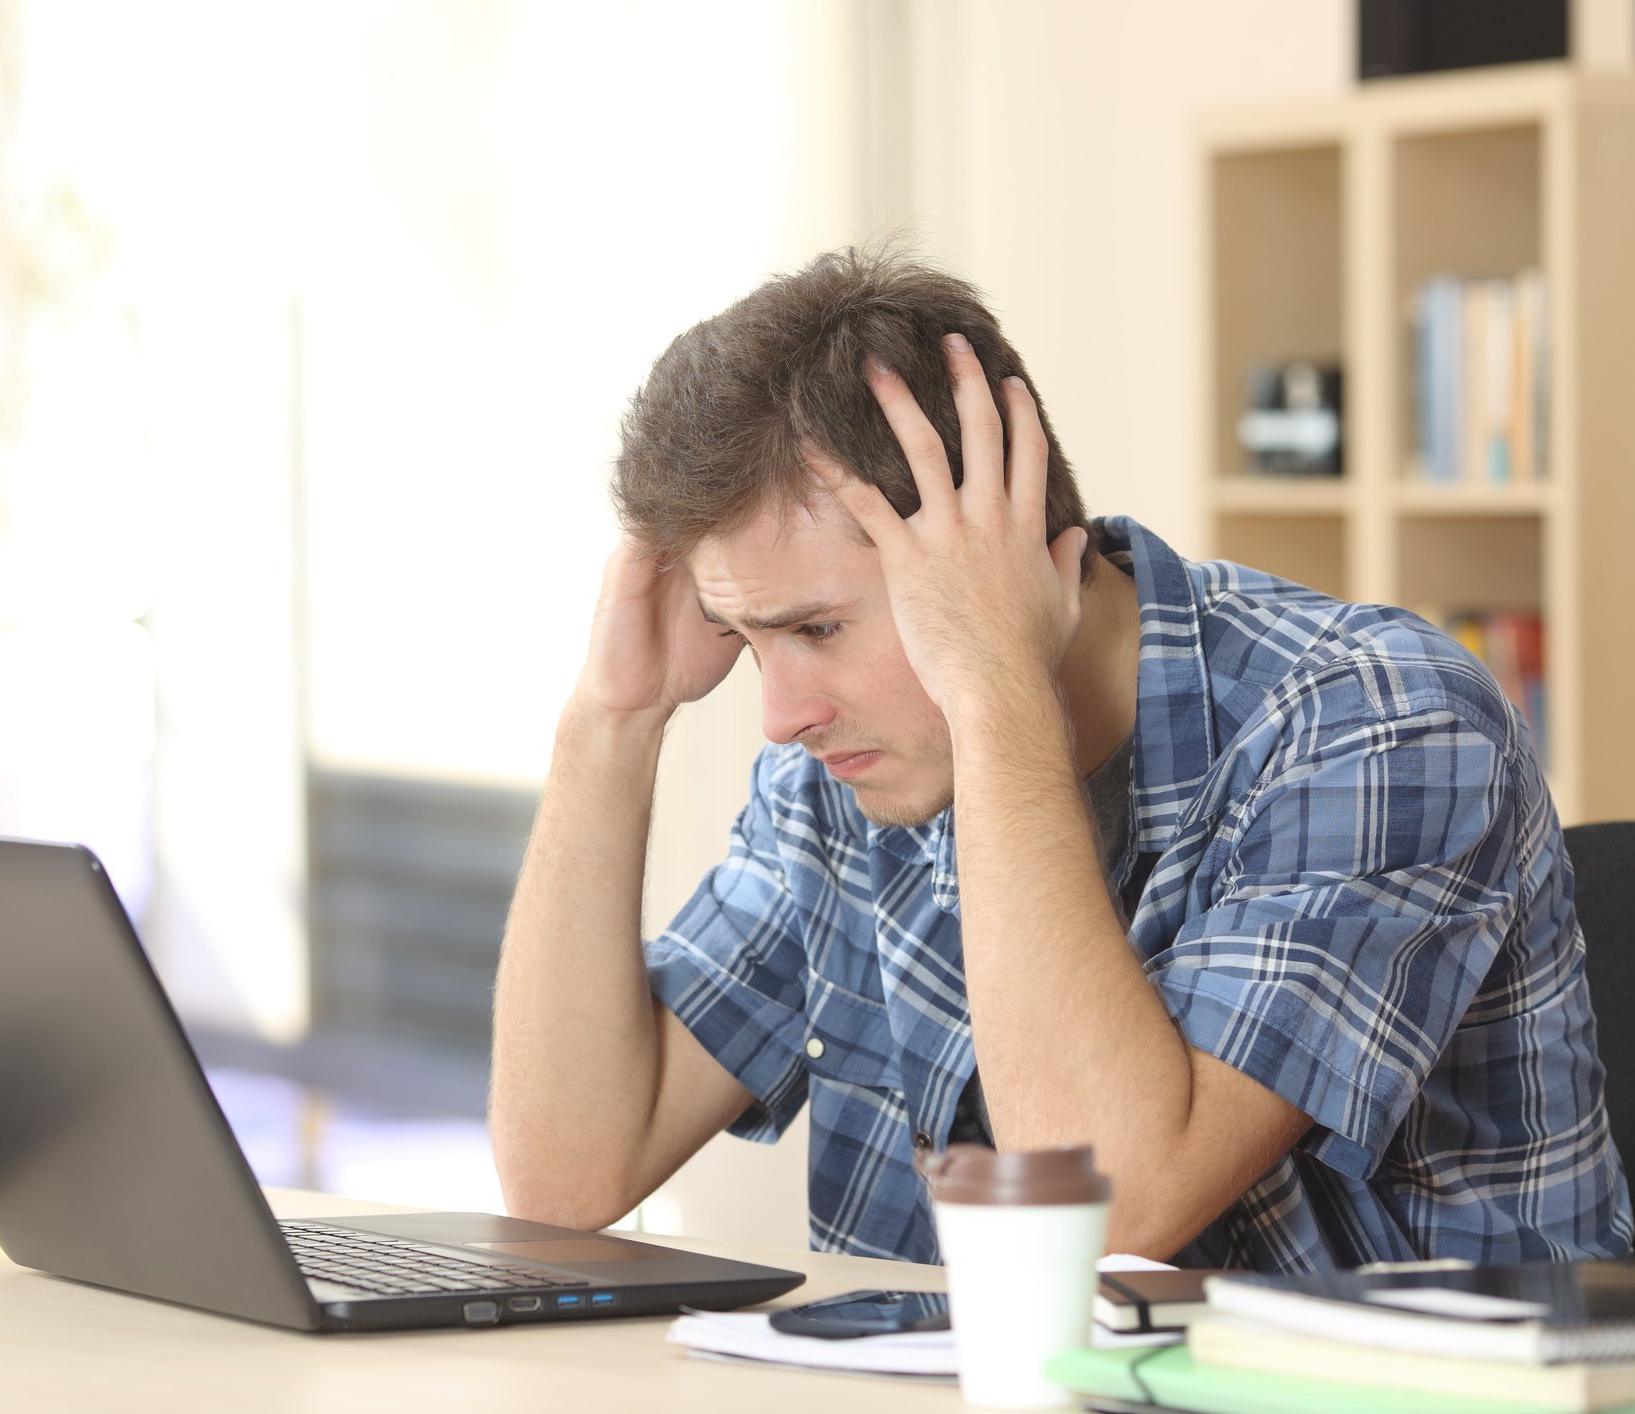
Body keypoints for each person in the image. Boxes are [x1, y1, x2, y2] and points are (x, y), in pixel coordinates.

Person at [488, 248, 1632, 1270]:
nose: (780, 714)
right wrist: (611, 719)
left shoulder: (1377, 719)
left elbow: (1108, 1211)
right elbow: (566, 1179)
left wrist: (993, 686)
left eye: (817, 630)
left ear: (1009, 546)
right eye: (748, 638)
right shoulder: (849, 779)